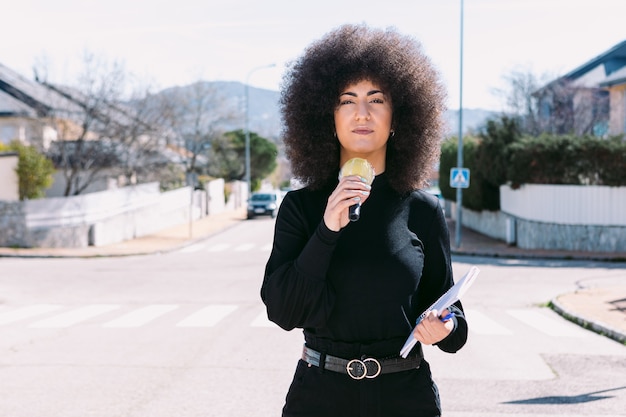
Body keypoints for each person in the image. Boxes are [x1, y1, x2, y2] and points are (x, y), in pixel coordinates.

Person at [261, 23, 468, 417]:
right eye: (346, 100)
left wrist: (446, 328)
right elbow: (282, 311)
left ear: (398, 117)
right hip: (319, 396)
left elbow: (453, 319)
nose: (361, 113)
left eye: (376, 100)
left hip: (405, 397)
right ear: (328, 116)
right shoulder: (300, 208)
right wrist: (327, 231)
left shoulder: (422, 209)